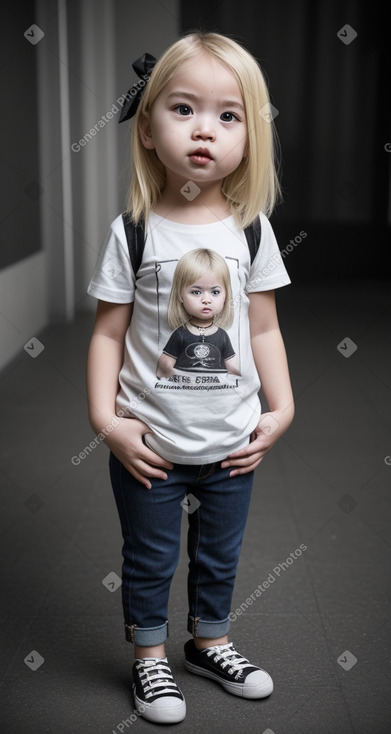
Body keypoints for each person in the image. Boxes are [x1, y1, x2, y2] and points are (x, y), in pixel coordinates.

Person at [86, 31, 294, 725]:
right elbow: (107, 334)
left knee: (219, 556)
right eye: (183, 109)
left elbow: (261, 328)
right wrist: (107, 422)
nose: (205, 128)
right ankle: (149, 659)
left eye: (227, 115)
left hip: (231, 444)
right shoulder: (134, 232)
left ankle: (210, 641)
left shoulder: (251, 230)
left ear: (247, 137)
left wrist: (281, 408)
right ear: (146, 127)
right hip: (150, 445)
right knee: (148, 558)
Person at [157, 248, 241, 377]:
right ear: (180, 295)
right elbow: (165, 366)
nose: (206, 300)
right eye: (196, 292)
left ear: (226, 296)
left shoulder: (222, 335)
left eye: (215, 292)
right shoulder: (180, 334)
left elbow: (233, 367)